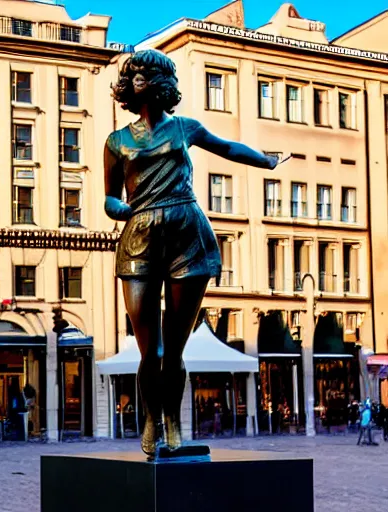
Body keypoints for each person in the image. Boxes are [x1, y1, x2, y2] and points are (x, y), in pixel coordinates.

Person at [104, 49, 279, 457]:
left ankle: (173, 424)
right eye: (137, 74)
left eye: (149, 74)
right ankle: (150, 418)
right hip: (140, 236)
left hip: (187, 234)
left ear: (163, 85)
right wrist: (119, 209)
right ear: (130, 86)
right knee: (151, 348)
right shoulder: (117, 142)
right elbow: (110, 198)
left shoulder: (185, 128)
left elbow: (229, 148)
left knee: (176, 347)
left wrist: (266, 161)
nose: (142, 80)